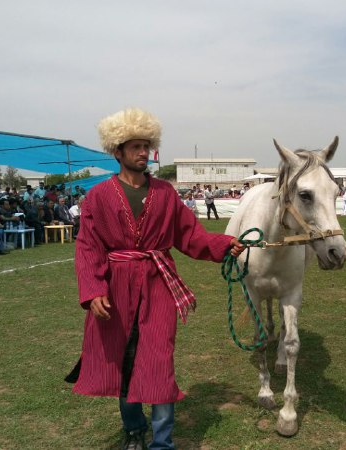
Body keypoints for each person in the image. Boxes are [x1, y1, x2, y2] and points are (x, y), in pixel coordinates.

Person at [68, 107, 244, 450]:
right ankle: (134, 430)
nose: (143, 153)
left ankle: (162, 442)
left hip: (158, 284)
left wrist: (224, 245)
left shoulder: (165, 194)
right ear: (117, 151)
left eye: (146, 146)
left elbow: (191, 236)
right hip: (116, 288)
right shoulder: (98, 197)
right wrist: (93, 291)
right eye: (135, 147)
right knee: (124, 359)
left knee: (159, 361)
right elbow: (88, 248)